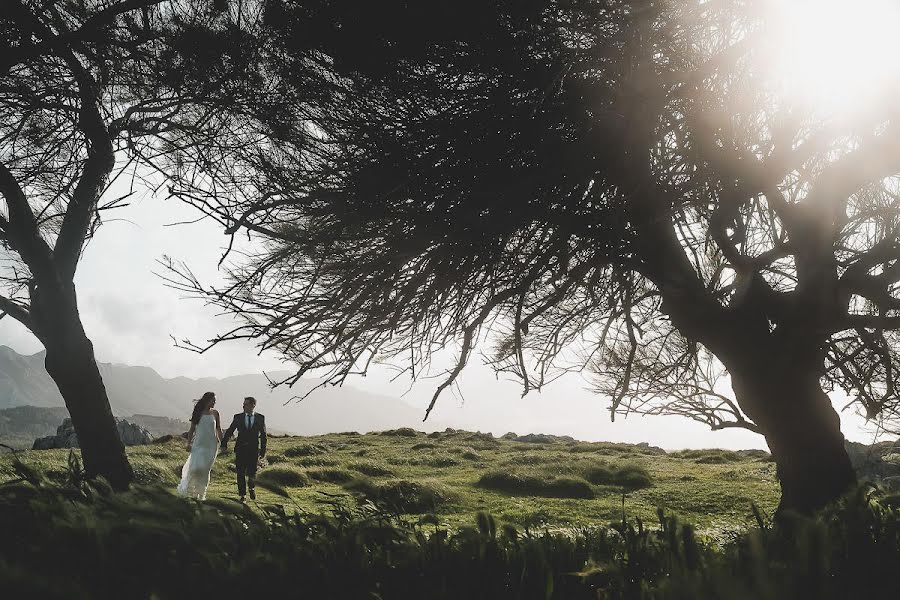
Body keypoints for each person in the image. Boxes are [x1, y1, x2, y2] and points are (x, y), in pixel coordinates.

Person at [176, 391, 222, 500]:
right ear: (207, 400)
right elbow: (192, 429)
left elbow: (218, 429)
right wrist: (188, 443)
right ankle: (191, 490)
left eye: (215, 401)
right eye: (213, 400)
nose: (214, 403)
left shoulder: (215, 413)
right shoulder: (198, 412)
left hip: (211, 446)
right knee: (196, 468)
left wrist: (222, 443)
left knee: (205, 470)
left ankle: (200, 494)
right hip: (198, 444)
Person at [220, 396, 267, 502]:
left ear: (253, 405)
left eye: (246, 404)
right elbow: (230, 431)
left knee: (252, 472)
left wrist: (263, 450)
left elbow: (263, 435)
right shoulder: (238, 417)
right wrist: (224, 444)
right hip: (240, 448)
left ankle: (251, 487)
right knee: (240, 472)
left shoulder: (260, 418)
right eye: (243, 404)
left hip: (253, 449)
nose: (243, 406)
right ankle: (242, 495)